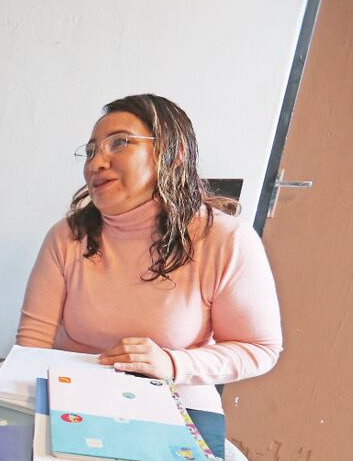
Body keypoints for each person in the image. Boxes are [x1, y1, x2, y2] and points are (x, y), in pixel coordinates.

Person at [16, 94, 282, 387]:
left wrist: (173, 363)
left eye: (119, 142)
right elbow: (33, 343)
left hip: (177, 397)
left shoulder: (227, 239)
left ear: (173, 152)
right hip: (71, 393)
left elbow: (260, 348)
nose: (96, 164)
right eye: (91, 152)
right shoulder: (67, 235)